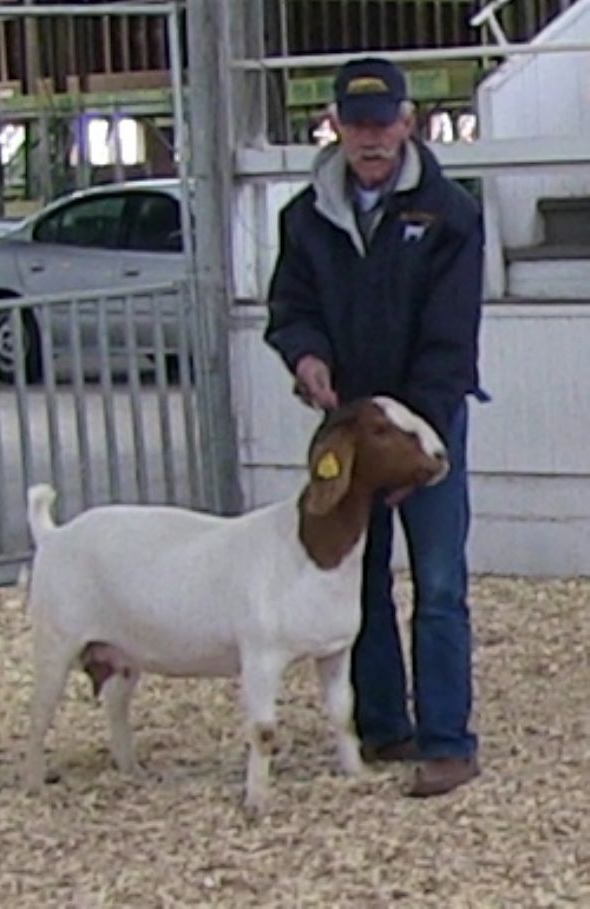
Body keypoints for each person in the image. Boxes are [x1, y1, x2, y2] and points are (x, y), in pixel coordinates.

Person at [264, 57, 485, 797]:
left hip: (421, 429)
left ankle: (449, 738)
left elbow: (451, 336)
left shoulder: (449, 212)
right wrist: (306, 357)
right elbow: (290, 305)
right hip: (348, 426)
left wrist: (409, 441)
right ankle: (386, 723)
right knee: (356, 575)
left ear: (407, 122)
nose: (370, 138)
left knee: (440, 578)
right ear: (335, 126)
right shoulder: (305, 216)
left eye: (382, 122)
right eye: (356, 124)